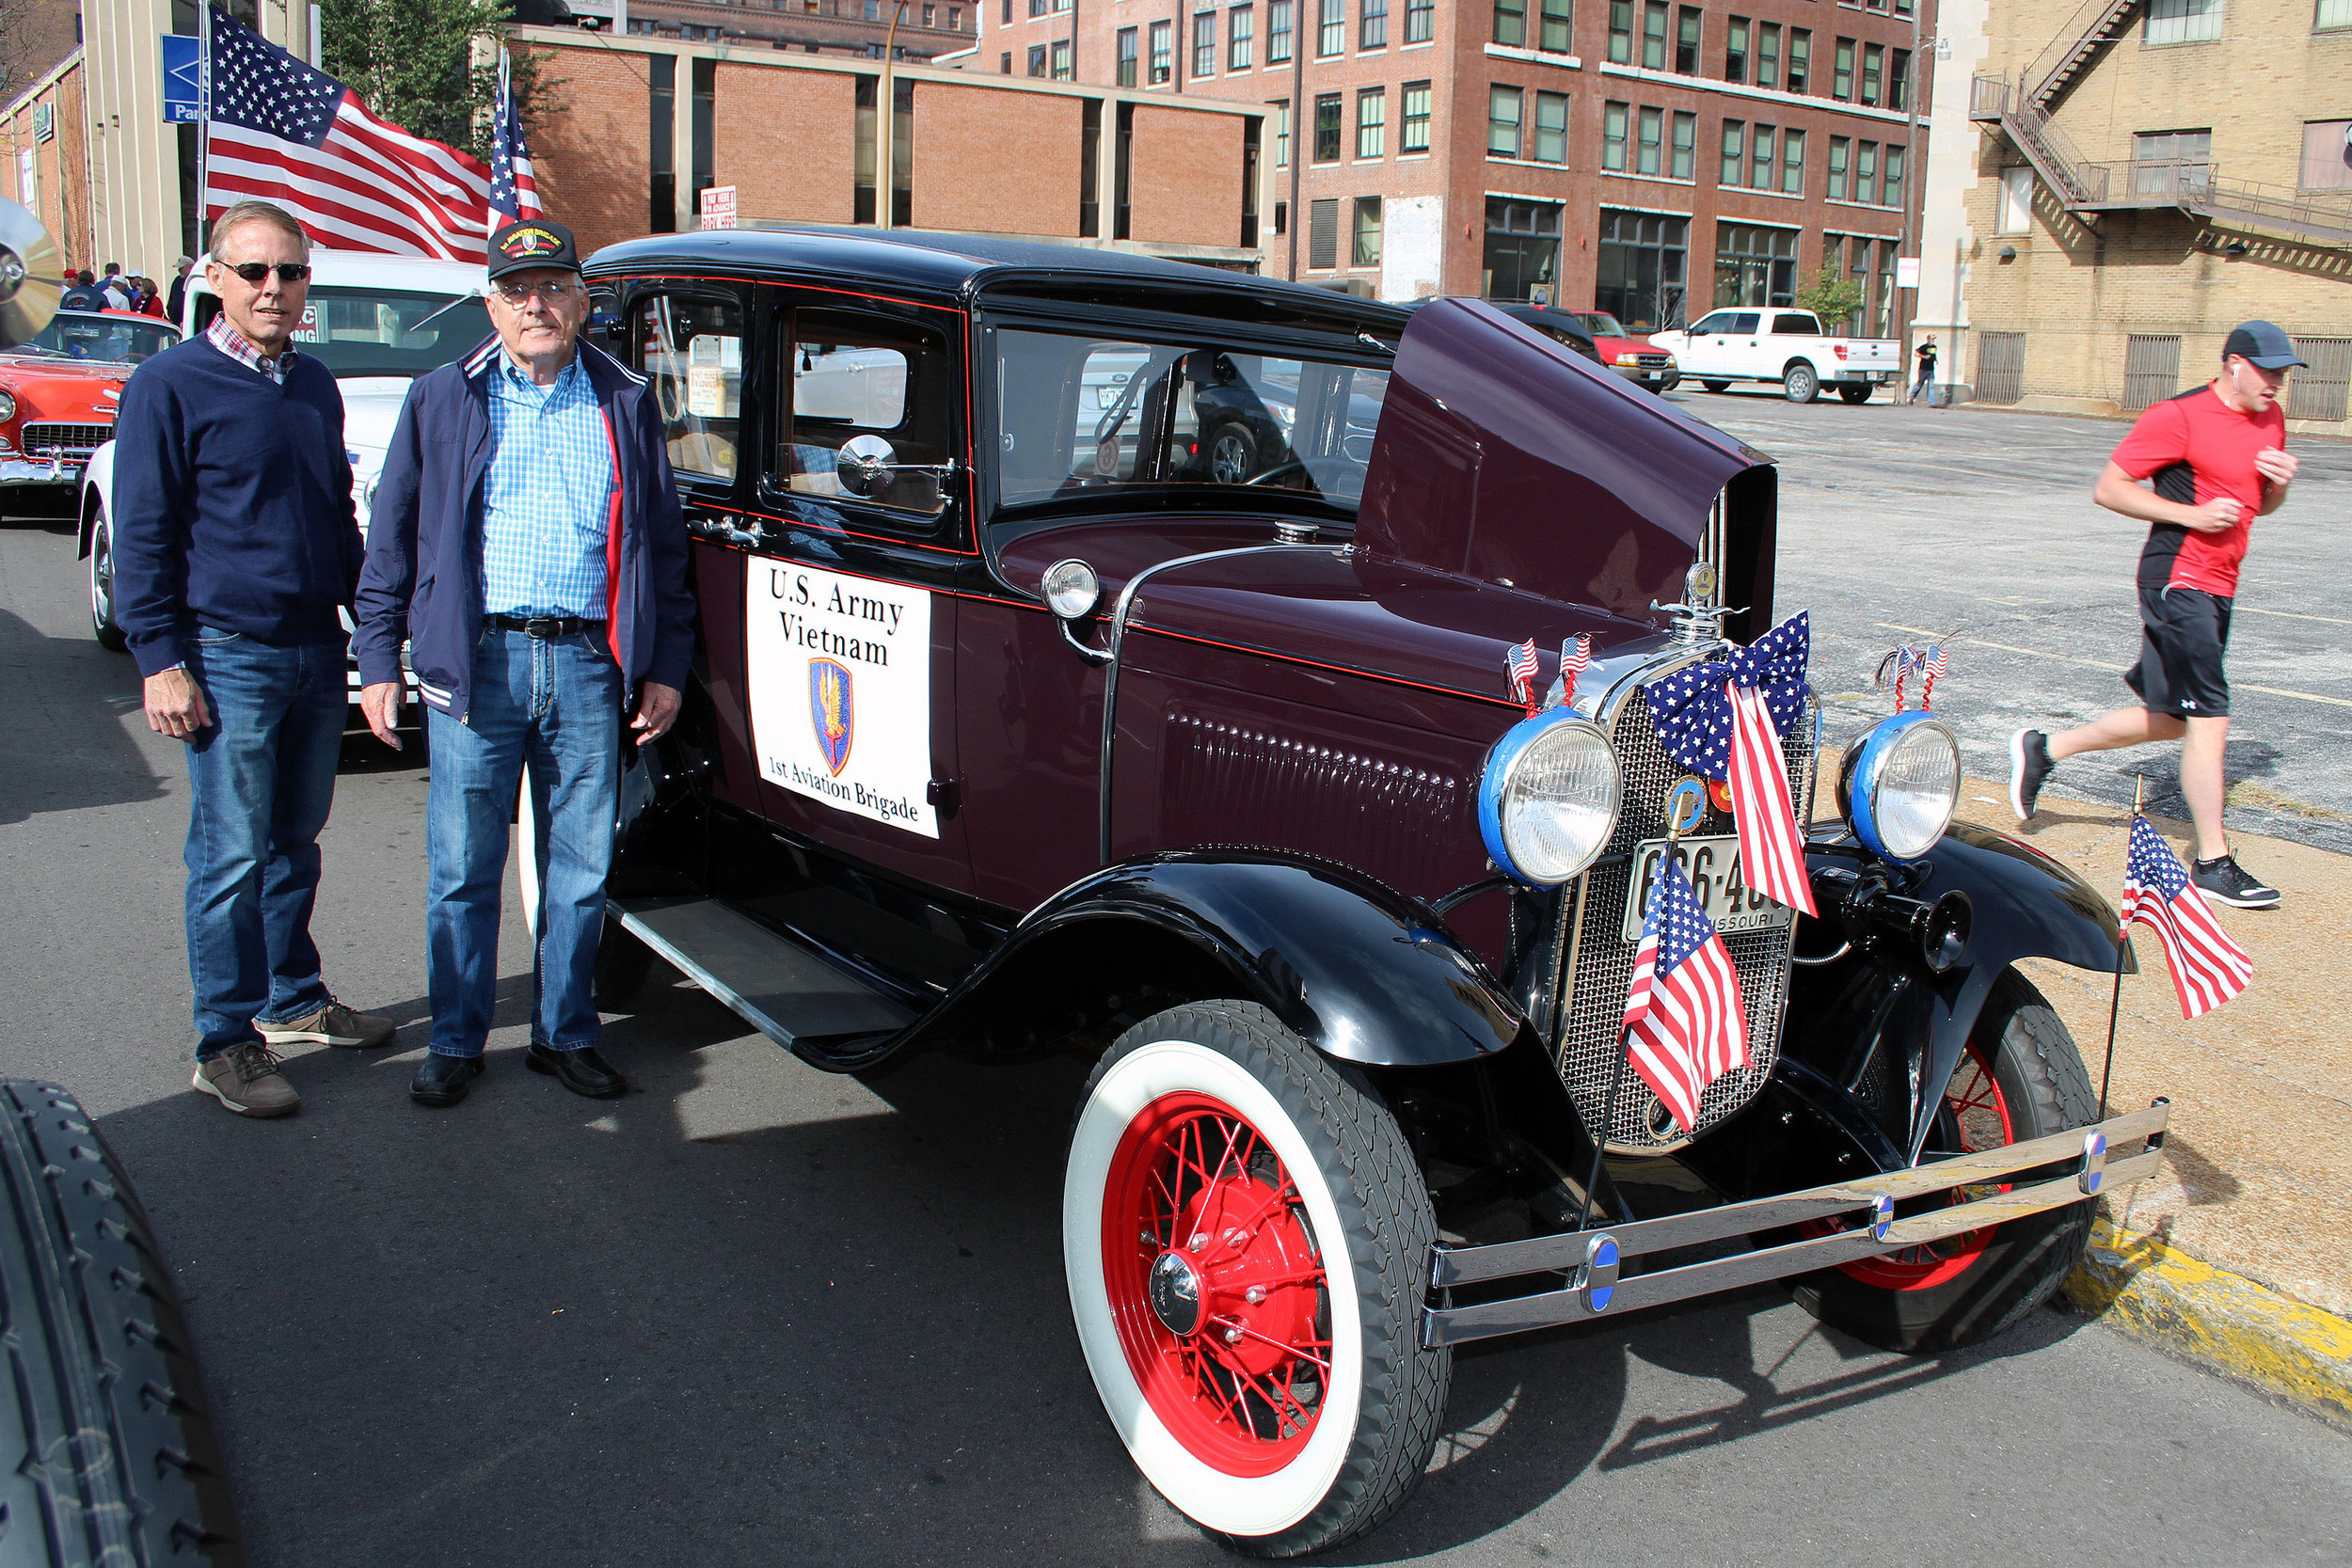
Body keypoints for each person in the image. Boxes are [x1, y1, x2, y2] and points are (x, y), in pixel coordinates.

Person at [355, 217, 694, 1109]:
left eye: (551, 285)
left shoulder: (624, 397)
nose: (534, 303)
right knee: (463, 867)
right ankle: (457, 1039)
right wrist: (377, 658)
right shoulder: (444, 396)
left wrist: (662, 663)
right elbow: (391, 537)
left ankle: (564, 1032)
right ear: (491, 302)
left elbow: (662, 544)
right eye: (516, 288)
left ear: (582, 298)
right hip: (477, 661)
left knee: (580, 869)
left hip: (588, 662)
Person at [109, 199, 398, 1117]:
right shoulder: (170, 385)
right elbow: (146, 535)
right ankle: (225, 1042)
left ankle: (292, 1000)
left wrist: (380, 623)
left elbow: (332, 517)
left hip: (316, 646)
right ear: (216, 280)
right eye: (255, 272)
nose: (275, 287)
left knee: (291, 843)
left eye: (292, 271)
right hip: (225, 653)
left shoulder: (313, 383)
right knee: (229, 855)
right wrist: (160, 658)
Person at [2010, 321, 2302, 909]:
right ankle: (2213, 862)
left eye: (2283, 373)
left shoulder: (2270, 419)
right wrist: (2190, 516)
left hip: (2221, 583)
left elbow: (2258, 505)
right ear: (2234, 365)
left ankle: (2045, 749)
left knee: (2172, 719)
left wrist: (2278, 490)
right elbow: (2110, 488)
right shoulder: (2180, 415)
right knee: (2211, 715)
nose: (2276, 384)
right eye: (2267, 371)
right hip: (2178, 578)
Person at [166, 255, 196, 325]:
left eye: (181, 268)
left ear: (190, 267)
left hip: (189, 323)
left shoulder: (194, 281)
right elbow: (171, 300)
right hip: (175, 322)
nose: (179, 270)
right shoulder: (177, 280)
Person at [1910, 335, 1937, 404]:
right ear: (1928, 339)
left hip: (1931, 369)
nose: (1933, 340)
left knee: (1931, 386)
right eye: (1932, 339)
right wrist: (1924, 356)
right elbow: (1916, 353)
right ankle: (1912, 396)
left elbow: (1933, 355)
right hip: (1923, 369)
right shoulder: (1924, 347)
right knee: (1920, 384)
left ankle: (1932, 403)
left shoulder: (1934, 347)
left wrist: (1936, 360)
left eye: (1934, 339)